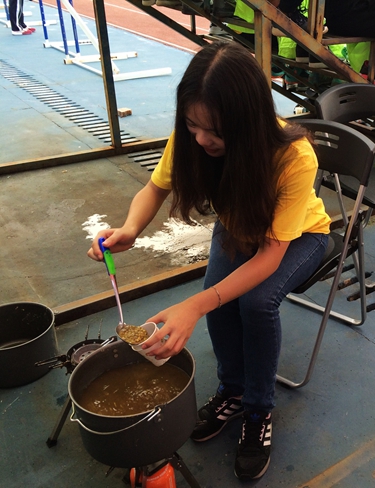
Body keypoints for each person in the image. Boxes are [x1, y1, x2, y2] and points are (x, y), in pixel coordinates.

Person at [87, 41, 331, 480]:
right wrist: (130, 229)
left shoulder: (293, 156)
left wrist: (196, 306)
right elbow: (155, 188)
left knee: (254, 302)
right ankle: (232, 390)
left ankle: (258, 409)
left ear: (248, 122)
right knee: (217, 299)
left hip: (300, 237)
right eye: (192, 124)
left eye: (215, 131)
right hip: (239, 226)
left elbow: (271, 254)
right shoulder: (195, 136)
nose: (201, 139)